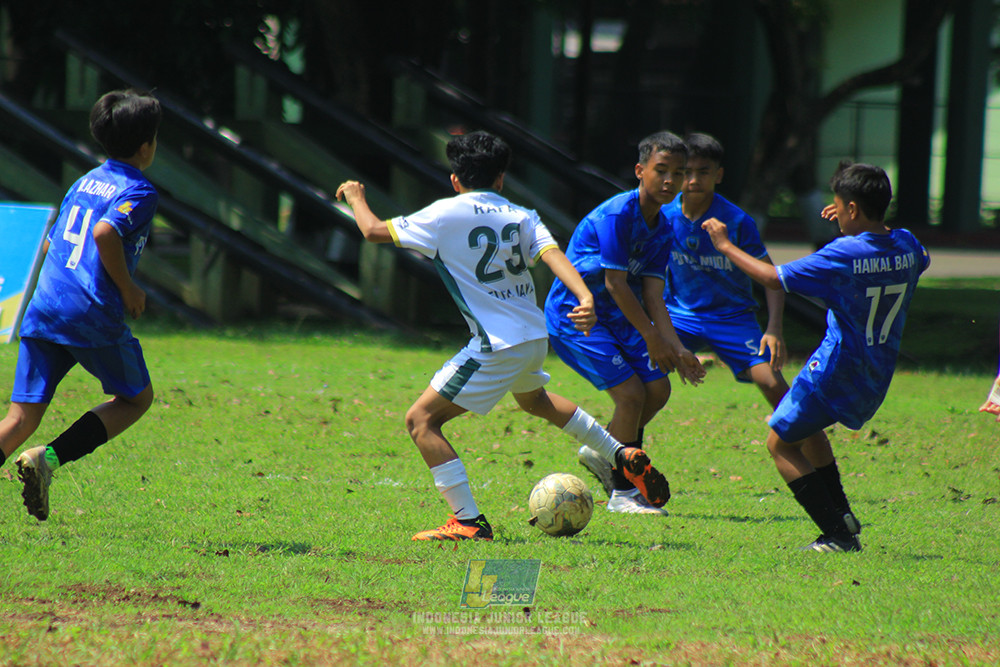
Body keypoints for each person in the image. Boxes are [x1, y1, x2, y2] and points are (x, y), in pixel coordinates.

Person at [335, 131, 671, 541]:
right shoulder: (521, 213)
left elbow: (371, 231)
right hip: (533, 336)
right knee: (536, 402)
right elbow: (553, 256)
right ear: (500, 179)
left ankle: (467, 522)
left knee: (421, 421)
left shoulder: (445, 213)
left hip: (495, 344)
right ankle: (620, 451)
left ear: (456, 180)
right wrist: (584, 295)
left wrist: (355, 196)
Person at [703, 160, 929, 553]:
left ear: (853, 208)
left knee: (779, 444)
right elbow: (906, 255)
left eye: (839, 205)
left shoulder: (842, 252)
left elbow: (774, 278)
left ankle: (837, 535)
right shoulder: (909, 244)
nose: (835, 211)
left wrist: (724, 245)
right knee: (807, 433)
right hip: (876, 373)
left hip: (833, 370)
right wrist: (853, 223)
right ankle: (842, 515)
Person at [0, 89, 161, 521]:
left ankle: (33, 455)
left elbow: (53, 241)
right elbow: (106, 233)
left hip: (44, 308)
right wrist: (128, 289)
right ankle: (46, 461)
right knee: (136, 399)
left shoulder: (85, 179)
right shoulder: (139, 190)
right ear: (146, 146)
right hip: (89, 316)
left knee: (19, 419)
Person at [655, 132, 834, 485]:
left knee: (772, 383)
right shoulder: (662, 215)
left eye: (703, 172)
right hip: (680, 317)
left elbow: (772, 278)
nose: (692, 180)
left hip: (733, 320)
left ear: (718, 175)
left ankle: (823, 473)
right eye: (685, 171)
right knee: (643, 376)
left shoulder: (736, 221)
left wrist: (774, 328)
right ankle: (624, 461)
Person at [544, 131, 705, 515]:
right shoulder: (618, 215)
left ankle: (606, 446)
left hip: (619, 315)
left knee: (658, 389)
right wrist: (651, 337)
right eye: (661, 171)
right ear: (640, 171)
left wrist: (677, 347)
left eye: (678, 174)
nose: (670, 181)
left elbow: (652, 294)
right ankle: (624, 494)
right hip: (579, 316)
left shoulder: (663, 228)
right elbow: (616, 283)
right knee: (631, 395)